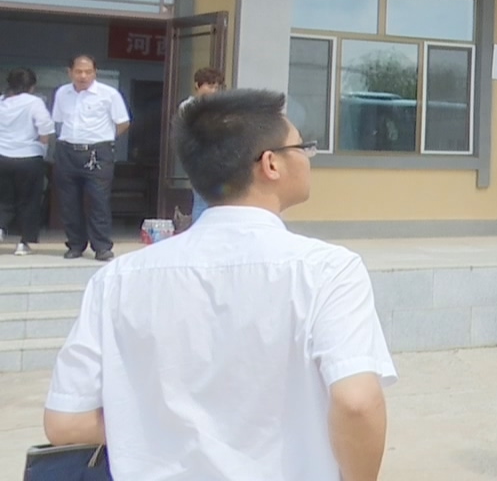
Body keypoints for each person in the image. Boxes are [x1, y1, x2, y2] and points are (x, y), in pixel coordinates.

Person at [44, 88, 395, 479]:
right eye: (303, 147)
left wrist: (161, 428)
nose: (308, 158)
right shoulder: (328, 271)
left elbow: (65, 423)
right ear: (271, 164)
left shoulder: (117, 280)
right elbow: (357, 403)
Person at [50, 54, 130, 261]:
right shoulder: (62, 93)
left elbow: (123, 123)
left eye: (88, 72)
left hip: (97, 152)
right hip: (67, 150)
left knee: (98, 200)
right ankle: (75, 244)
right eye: (78, 71)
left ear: (95, 73)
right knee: (68, 201)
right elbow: (58, 120)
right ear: (70, 72)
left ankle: (101, 246)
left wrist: (104, 139)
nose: (83, 76)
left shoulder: (108, 94)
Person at [0, 67, 54, 256]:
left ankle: (0, 228)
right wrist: (42, 148)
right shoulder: (34, 102)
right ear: (32, 86)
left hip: (2, 157)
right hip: (28, 158)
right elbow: (45, 130)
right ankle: (24, 243)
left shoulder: (1, 101)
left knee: (3, 198)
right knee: (28, 201)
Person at [177, 67, 225, 220]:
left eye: (217, 87)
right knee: (201, 199)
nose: (214, 91)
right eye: (210, 86)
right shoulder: (189, 106)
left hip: (218, 156)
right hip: (198, 156)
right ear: (197, 85)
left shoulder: (220, 106)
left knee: (217, 201)